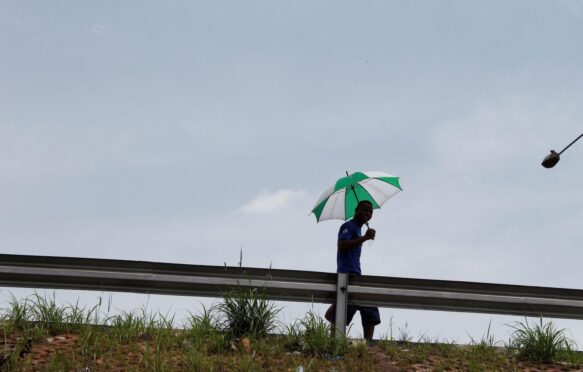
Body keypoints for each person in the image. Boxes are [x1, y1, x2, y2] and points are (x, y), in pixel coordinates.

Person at [325, 200, 381, 341]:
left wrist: (364, 236)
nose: (367, 214)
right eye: (365, 210)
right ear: (356, 210)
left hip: (355, 273)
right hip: (348, 274)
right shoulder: (348, 226)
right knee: (358, 305)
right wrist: (364, 238)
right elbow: (342, 246)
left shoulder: (358, 229)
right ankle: (335, 340)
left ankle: (367, 343)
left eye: (370, 212)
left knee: (365, 306)